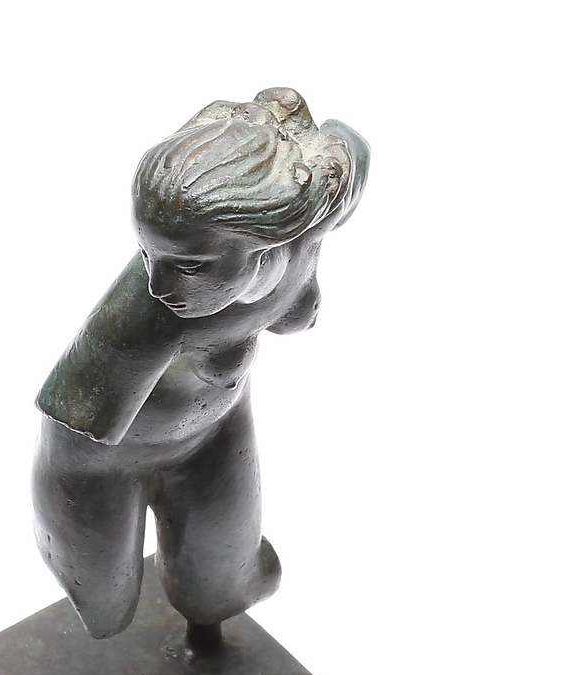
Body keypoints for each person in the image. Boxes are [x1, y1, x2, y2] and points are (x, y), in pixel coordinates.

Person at [33, 87, 369, 645]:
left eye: (189, 265)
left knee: (219, 587)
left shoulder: (305, 232)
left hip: (213, 434)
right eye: (148, 254)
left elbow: (350, 149)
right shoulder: (145, 313)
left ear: (265, 245)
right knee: (107, 607)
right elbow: (77, 417)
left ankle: (211, 617)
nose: (159, 282)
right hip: (98, 464)